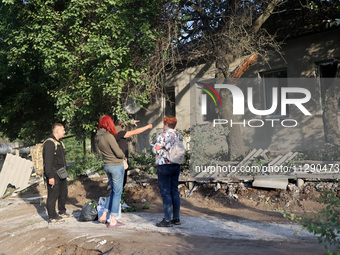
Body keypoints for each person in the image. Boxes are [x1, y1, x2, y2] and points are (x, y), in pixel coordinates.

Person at [95, 115, 126, 227]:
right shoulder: (108, 136)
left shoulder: (98, 136)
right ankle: (113, 220)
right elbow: (118, 152)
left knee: (113, 191)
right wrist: (124, 156)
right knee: (118, 193)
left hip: (107, 165)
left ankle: (104, 215)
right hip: (116, 166)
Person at [153, 115, 183, 227]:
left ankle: (167, 220)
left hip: (164, 165)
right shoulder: (179, 135)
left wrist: (156, 148)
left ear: (166, 124)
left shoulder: (162, 135)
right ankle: (176, 218)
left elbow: (156, 149)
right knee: (174, 191)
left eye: (164, 123)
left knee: (165, 193)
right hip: (176, 165)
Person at [43, 123, 70, 224]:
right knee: (53, 195)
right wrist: (50, 176)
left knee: (63, 193)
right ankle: (52, 217)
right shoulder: (49, 143)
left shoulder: (59, 142)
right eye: (63, 130)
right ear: (57, 131)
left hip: (61, 173)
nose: (64, 132)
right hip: (53, 174)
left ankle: (62, 212)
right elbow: (48, 161)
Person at [115, 120, 153, 186]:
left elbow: (121, 122)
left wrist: (129, 121)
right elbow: (135, 132)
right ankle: (118, 195)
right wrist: (148, 126)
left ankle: (119, 194)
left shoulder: (116, 132)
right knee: (120, 182)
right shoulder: (119, 133)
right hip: (121, 160)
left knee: (121, 181)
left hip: (122, 159)